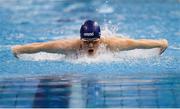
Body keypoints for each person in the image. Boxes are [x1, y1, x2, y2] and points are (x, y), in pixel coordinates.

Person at [12, 20, 168, 58]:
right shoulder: (69, 46)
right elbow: (41, 46)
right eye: (87, 42)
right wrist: (18, 49)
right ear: (81, 40)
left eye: (95, 41)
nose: (91, 45)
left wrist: (161, 43)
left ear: (100, 38)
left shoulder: (113, 44)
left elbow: (137, 43)